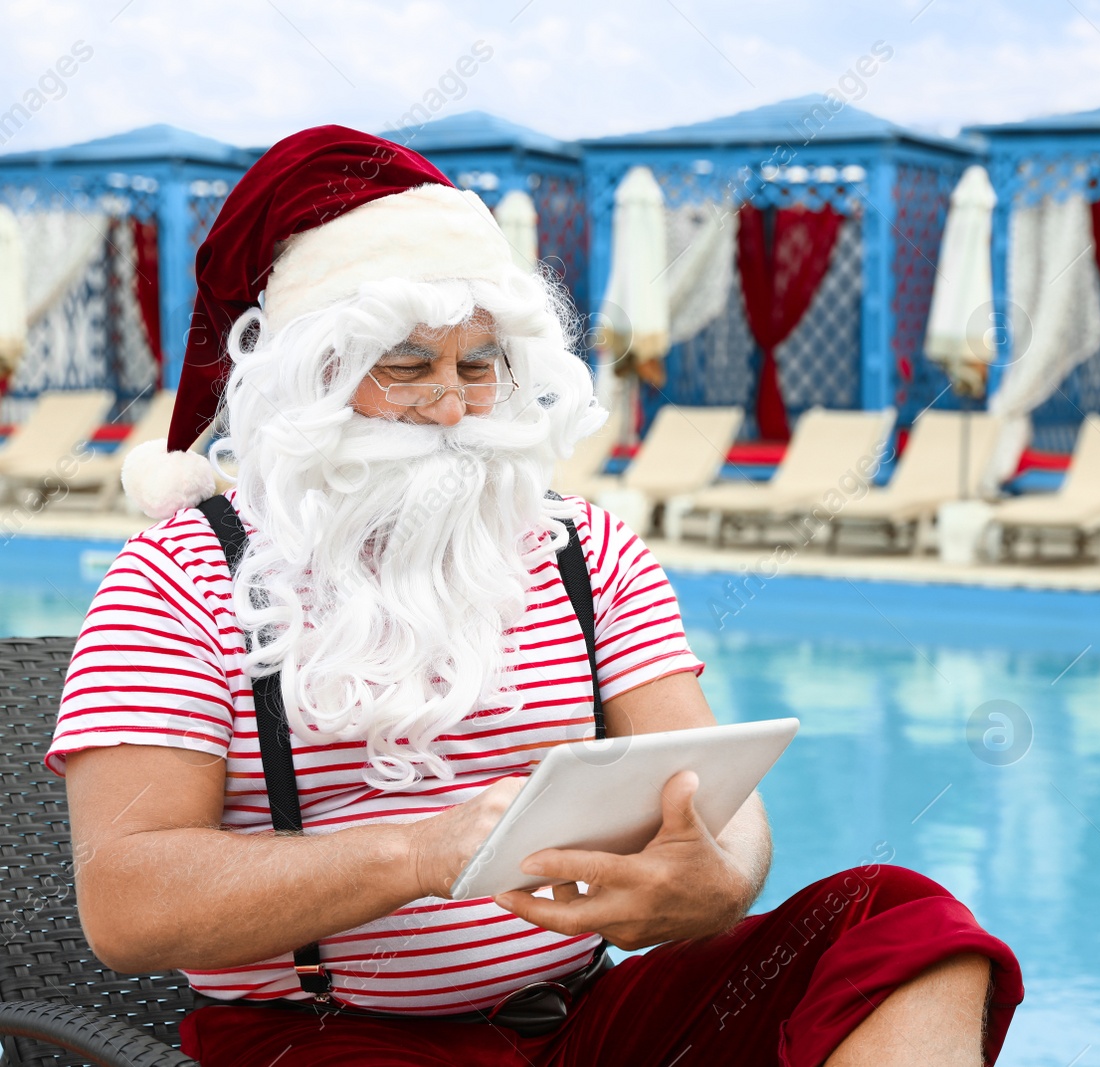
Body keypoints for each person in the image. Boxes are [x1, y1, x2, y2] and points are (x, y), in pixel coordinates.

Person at [48, 127, 1022, 1066]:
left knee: (904, 925)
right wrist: (426, 851)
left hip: (584, 1016)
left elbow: (725, 806)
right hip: (325, 1032)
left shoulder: (583, 548)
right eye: (407, 365)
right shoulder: (175, 576)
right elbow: (127, 903)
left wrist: (712, 878)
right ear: (312, 377)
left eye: (478, 366)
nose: (451, 406)